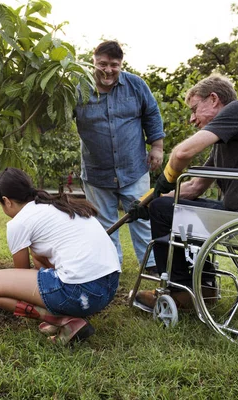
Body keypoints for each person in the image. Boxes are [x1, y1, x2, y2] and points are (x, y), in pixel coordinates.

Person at [130, 73, 238, 309]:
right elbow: (194, 187)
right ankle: (203, 288)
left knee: (165, 211)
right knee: (164, 206)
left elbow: (181, 153)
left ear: (213, 99)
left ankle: (180, 291)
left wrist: (167, 178)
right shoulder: (228, 140)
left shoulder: (237, 110)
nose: (192, 119)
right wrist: (151, 199)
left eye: (194, 109)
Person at [0, 168, 121, 344]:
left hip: (80, 293)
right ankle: (64, 312)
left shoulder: (19, 223)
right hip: (108, 289)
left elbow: (21, 274)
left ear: (6, 201)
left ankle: (62, 321)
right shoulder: (56, 205)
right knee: (37, 254)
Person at [74, 40, 165, 271]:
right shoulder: (79, 88)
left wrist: (157, 147)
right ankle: (112, 268)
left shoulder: (136, 85)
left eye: (114, 65)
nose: (108, 70)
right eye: (102, 64)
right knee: (105, 224)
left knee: (143, 219)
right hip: (97, 173)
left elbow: (152, 114)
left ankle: (152, 267)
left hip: (133, 169)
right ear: (93, 62)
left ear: (121, 64)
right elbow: (54, 116)